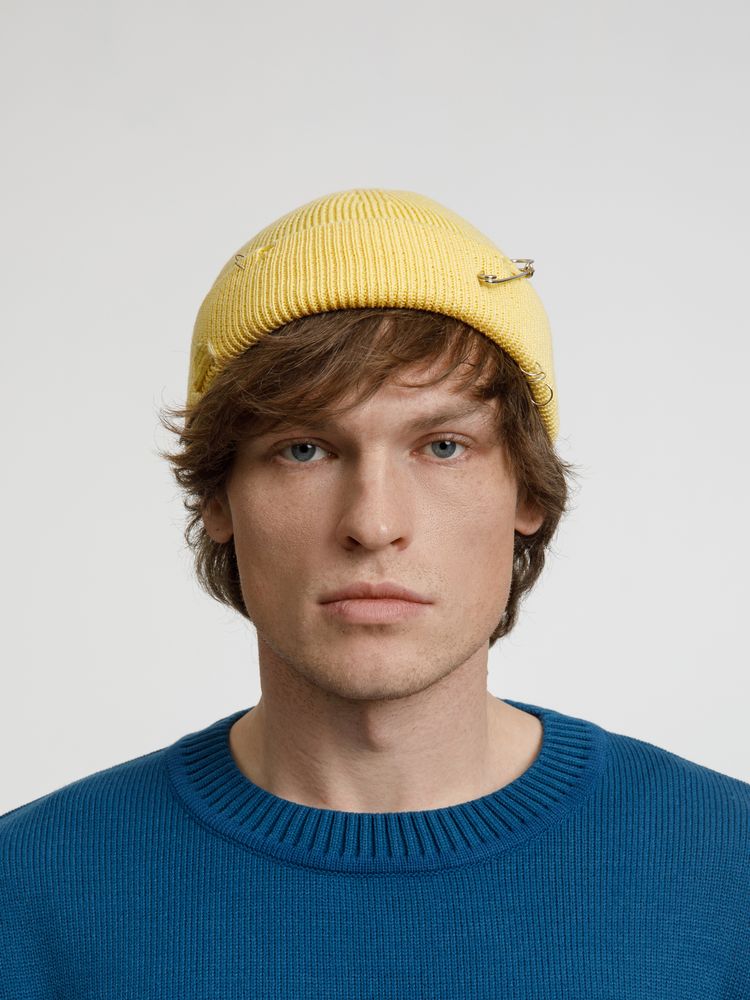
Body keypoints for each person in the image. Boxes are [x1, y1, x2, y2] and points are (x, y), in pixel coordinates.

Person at [1, 188, 747, 998]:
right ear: (219, 498)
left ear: (527, 491)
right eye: (304, 449)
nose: (373, 523)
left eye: (444, 446)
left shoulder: (726, 870)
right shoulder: (31, 891)